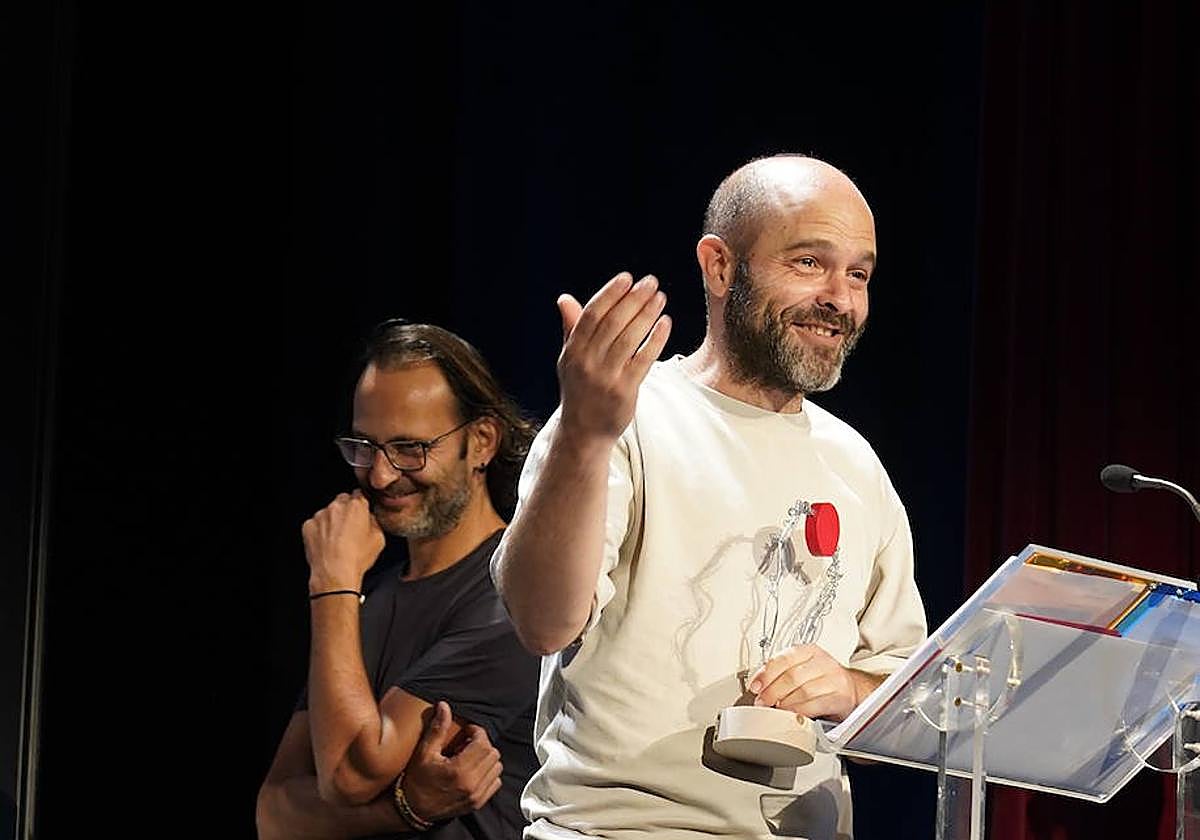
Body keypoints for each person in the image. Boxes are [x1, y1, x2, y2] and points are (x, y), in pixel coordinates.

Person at [491, 155, 927, 839]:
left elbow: (912, 701)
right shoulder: (624, 419)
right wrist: (582, 434)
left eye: (859, 274)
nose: (840, 299)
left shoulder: (856, 465)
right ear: (721, 267)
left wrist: (847, 687)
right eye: (809, 263)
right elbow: (542, 623)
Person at [257, 320, 541, 839]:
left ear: (480, 442)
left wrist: (332, 583)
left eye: (411, 448)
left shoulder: (513, 595)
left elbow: (348, 774)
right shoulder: (370, 597)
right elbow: (275, 814)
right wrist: (407, 807)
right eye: (365, 446)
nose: (381, 475)